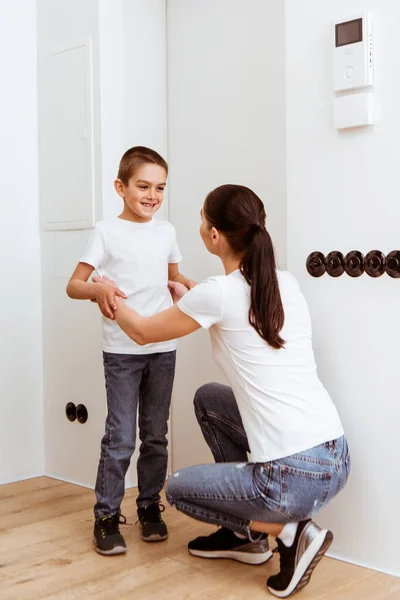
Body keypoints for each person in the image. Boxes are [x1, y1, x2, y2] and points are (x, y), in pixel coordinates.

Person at [98, 183, 350, 597]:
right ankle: (245, 540)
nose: (199, 225)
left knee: (177, 487)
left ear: (214, 235)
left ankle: (290, 530)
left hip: (291, 477)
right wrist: (190, 293)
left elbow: (142, 332)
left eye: (201, 217)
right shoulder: (283, 282)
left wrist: (106, 292)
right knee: (210, 398)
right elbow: (226, 302)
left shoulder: (219, 293)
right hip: (335, 458)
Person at [66, 146, 195, 556]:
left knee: (155, 435)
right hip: (122, 350)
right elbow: (74, 284)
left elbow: (172, 277)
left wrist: (192, 290)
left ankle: (149, 506)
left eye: (160, 187)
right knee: (120, 437)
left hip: (163, 346)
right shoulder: (106, 231)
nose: (152, 195)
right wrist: (98, 288)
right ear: (121, 187)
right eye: (143, 185)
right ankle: (105, 515)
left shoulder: (167, 231)